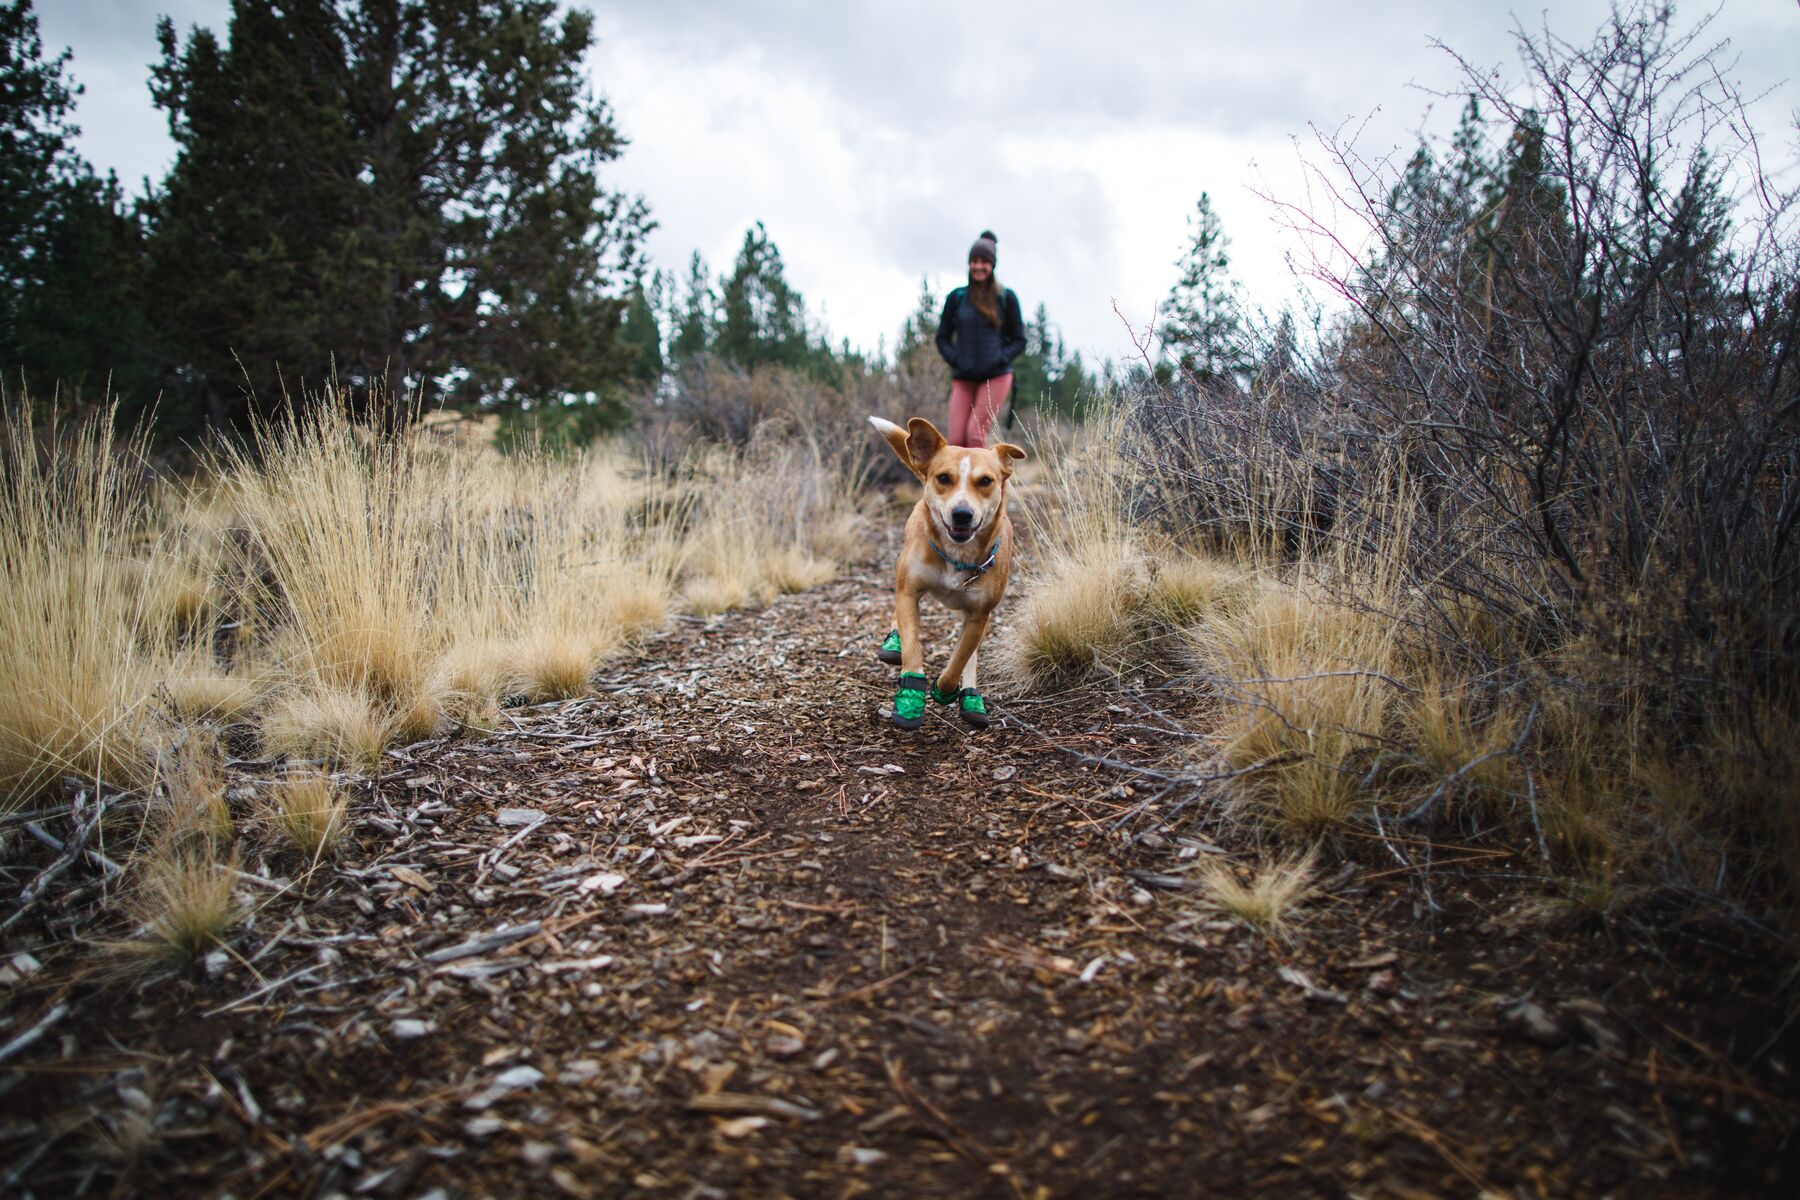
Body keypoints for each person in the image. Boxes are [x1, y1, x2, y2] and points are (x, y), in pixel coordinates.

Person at [935, 231, 1026, 448]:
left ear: (992, 265)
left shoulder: (1006, 298)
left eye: (984, 262)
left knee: (975, 435)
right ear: (969, 264)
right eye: (974, 261)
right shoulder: (957, 298)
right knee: (956, 441)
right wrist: (956, 359)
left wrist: (1000, 358)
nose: (978, 266)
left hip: (995, 376)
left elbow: (1019, 339)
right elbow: (942, 338)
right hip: (964, 377)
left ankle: (986, 482)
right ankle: (960, 483)